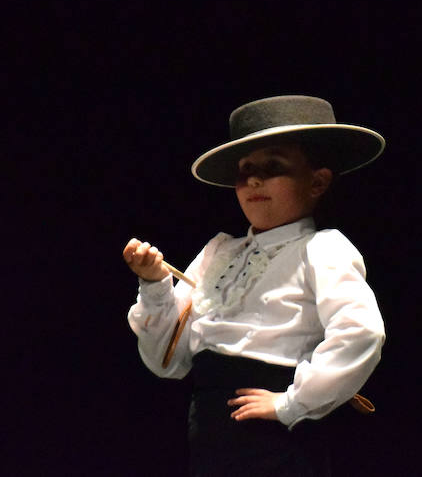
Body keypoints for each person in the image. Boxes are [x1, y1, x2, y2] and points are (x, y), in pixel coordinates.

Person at [125, 95, 386, 476]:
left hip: (276, 438)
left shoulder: (322, 248)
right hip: (210, 431)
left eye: (273, 166)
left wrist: (291, 404)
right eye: (244, 170)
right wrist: (154, 286)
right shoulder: (218, 251)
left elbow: (361, 332)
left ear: (317, 181)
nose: (253, 180)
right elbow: (168, 361)